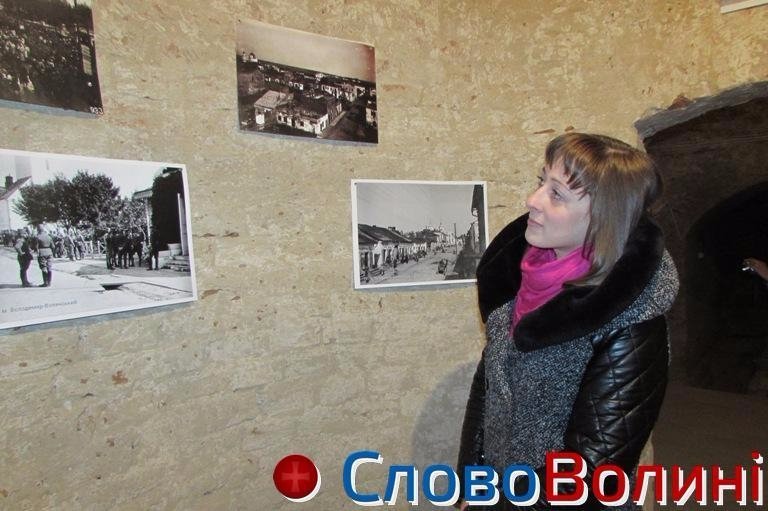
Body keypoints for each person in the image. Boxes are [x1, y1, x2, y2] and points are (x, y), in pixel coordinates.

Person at [456, 133, 679, 510]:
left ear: (603, 217)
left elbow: (593, 470)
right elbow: (488, 386)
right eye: (541, 181)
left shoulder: (633, 320)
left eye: (556, 194)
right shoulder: (520, 280)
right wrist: (471, 485)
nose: (533, 200)